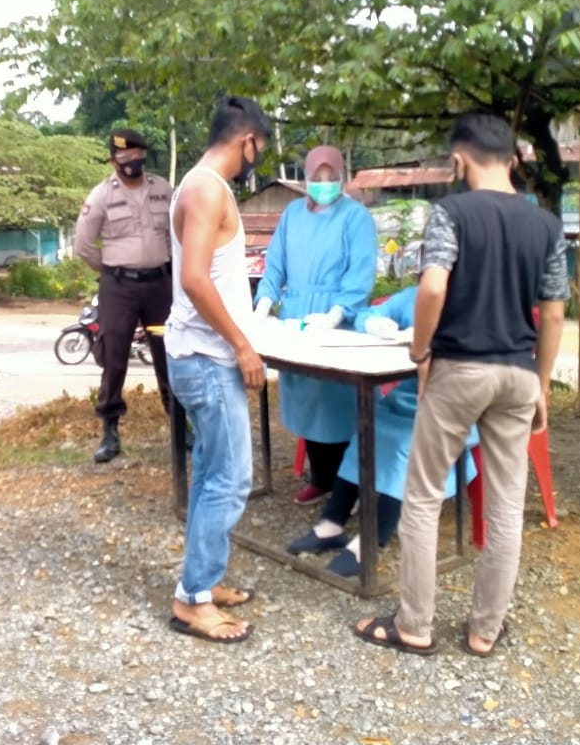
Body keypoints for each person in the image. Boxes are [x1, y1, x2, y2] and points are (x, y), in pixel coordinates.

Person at [354, 113, 567, 657]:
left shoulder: (451, 212)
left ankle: (416, 626)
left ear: (459, 159)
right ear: (513, 158)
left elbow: (431, 289)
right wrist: (540, 383)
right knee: (505, 506)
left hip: (459, 370)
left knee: (423, 498)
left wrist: (420, 349)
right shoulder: (543, 223)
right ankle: (484, 631)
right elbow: (555, 312)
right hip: (518, 374)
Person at [163, 95, 272, 645]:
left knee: (210, 475)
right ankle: (192, 600)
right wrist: (242, 346)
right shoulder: (207, 188)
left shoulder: (196, 183)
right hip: (208, 358)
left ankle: (201, 580)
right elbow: (196, 281)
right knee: (232, 480)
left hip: (201, 354)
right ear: (246, 141)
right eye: (261, 148)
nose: (259, 159)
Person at [285, 285, 479, 577]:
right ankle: (332, 523)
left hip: (451, 402)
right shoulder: (414, 295)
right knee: (365, 431)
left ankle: (371, 540)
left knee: (403, 444)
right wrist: (376, 324)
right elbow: (367, 314)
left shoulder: (476, 297)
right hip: (407, 395)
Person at [253, 145, 376, 504]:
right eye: (316, 178)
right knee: (304, 400)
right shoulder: (292, 213)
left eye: (330, 178)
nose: (323, 184)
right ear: (305, 178)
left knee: (335, 403)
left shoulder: (355, 217)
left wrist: (336, 314)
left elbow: (361, 274)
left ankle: (345, 487)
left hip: (336, 319)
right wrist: (263, 304)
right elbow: (275, 264)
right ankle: (320, 477)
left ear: (341, 177)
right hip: (296, 318)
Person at [73, 128, 174, 463]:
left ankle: (180, 425)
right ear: (113, 159)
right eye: (124, 156)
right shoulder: (101, 195)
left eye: (136, 155)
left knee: (168, 353)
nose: (132, 161)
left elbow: (178, 234)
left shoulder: (163, 189)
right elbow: (83, 246)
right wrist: (112, 271)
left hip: (160, 285)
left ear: (144, 155)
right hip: (118, 288)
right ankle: (110, 431)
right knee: (114, 358)